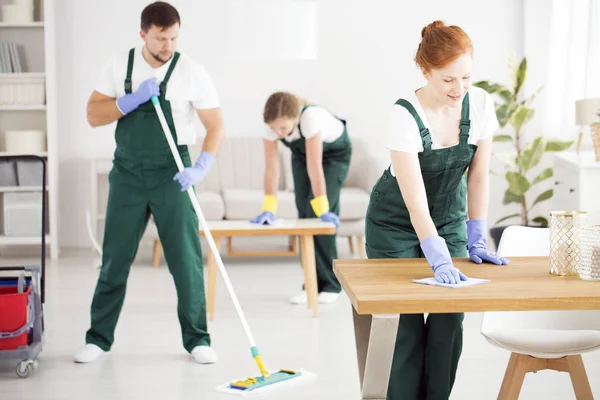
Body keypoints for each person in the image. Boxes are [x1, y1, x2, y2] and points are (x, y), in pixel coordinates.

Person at [364, 20, 509, 399]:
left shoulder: (479, 103)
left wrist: (476, 235)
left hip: (449, 219)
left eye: (466, 77)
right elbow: (414, 203)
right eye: (448, 80)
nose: (459, 89)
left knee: (450, 319)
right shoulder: (404, 115)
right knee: (405, 328)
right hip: (394, 224)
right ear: (425, 71)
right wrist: (437, 257)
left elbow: (478, 177)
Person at [74, 1, 225, 364]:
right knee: (114, 259)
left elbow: (215, 125)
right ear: (143, 34)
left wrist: (202, 165)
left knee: (186, 260)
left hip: (173, 173)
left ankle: (197, 339)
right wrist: (128, 101)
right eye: (160, 39)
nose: (167, 46)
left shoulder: (191, 71)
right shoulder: (119, 65)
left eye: (173, 38)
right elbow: (94, 115)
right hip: (127, 174)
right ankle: (98, 338)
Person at [250, 92, 352, 304]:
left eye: (284, 129)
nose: (278, 134)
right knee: (303, 216)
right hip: (302, 156)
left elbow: (315, 169)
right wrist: (268, 208)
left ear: (295, 118)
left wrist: (324, 208)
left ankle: (332, 284)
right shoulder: (270, 129)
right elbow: (271, 170)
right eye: (274, 128)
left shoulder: (311, 119)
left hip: (333, 158)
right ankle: (310, 284)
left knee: (318, 216)